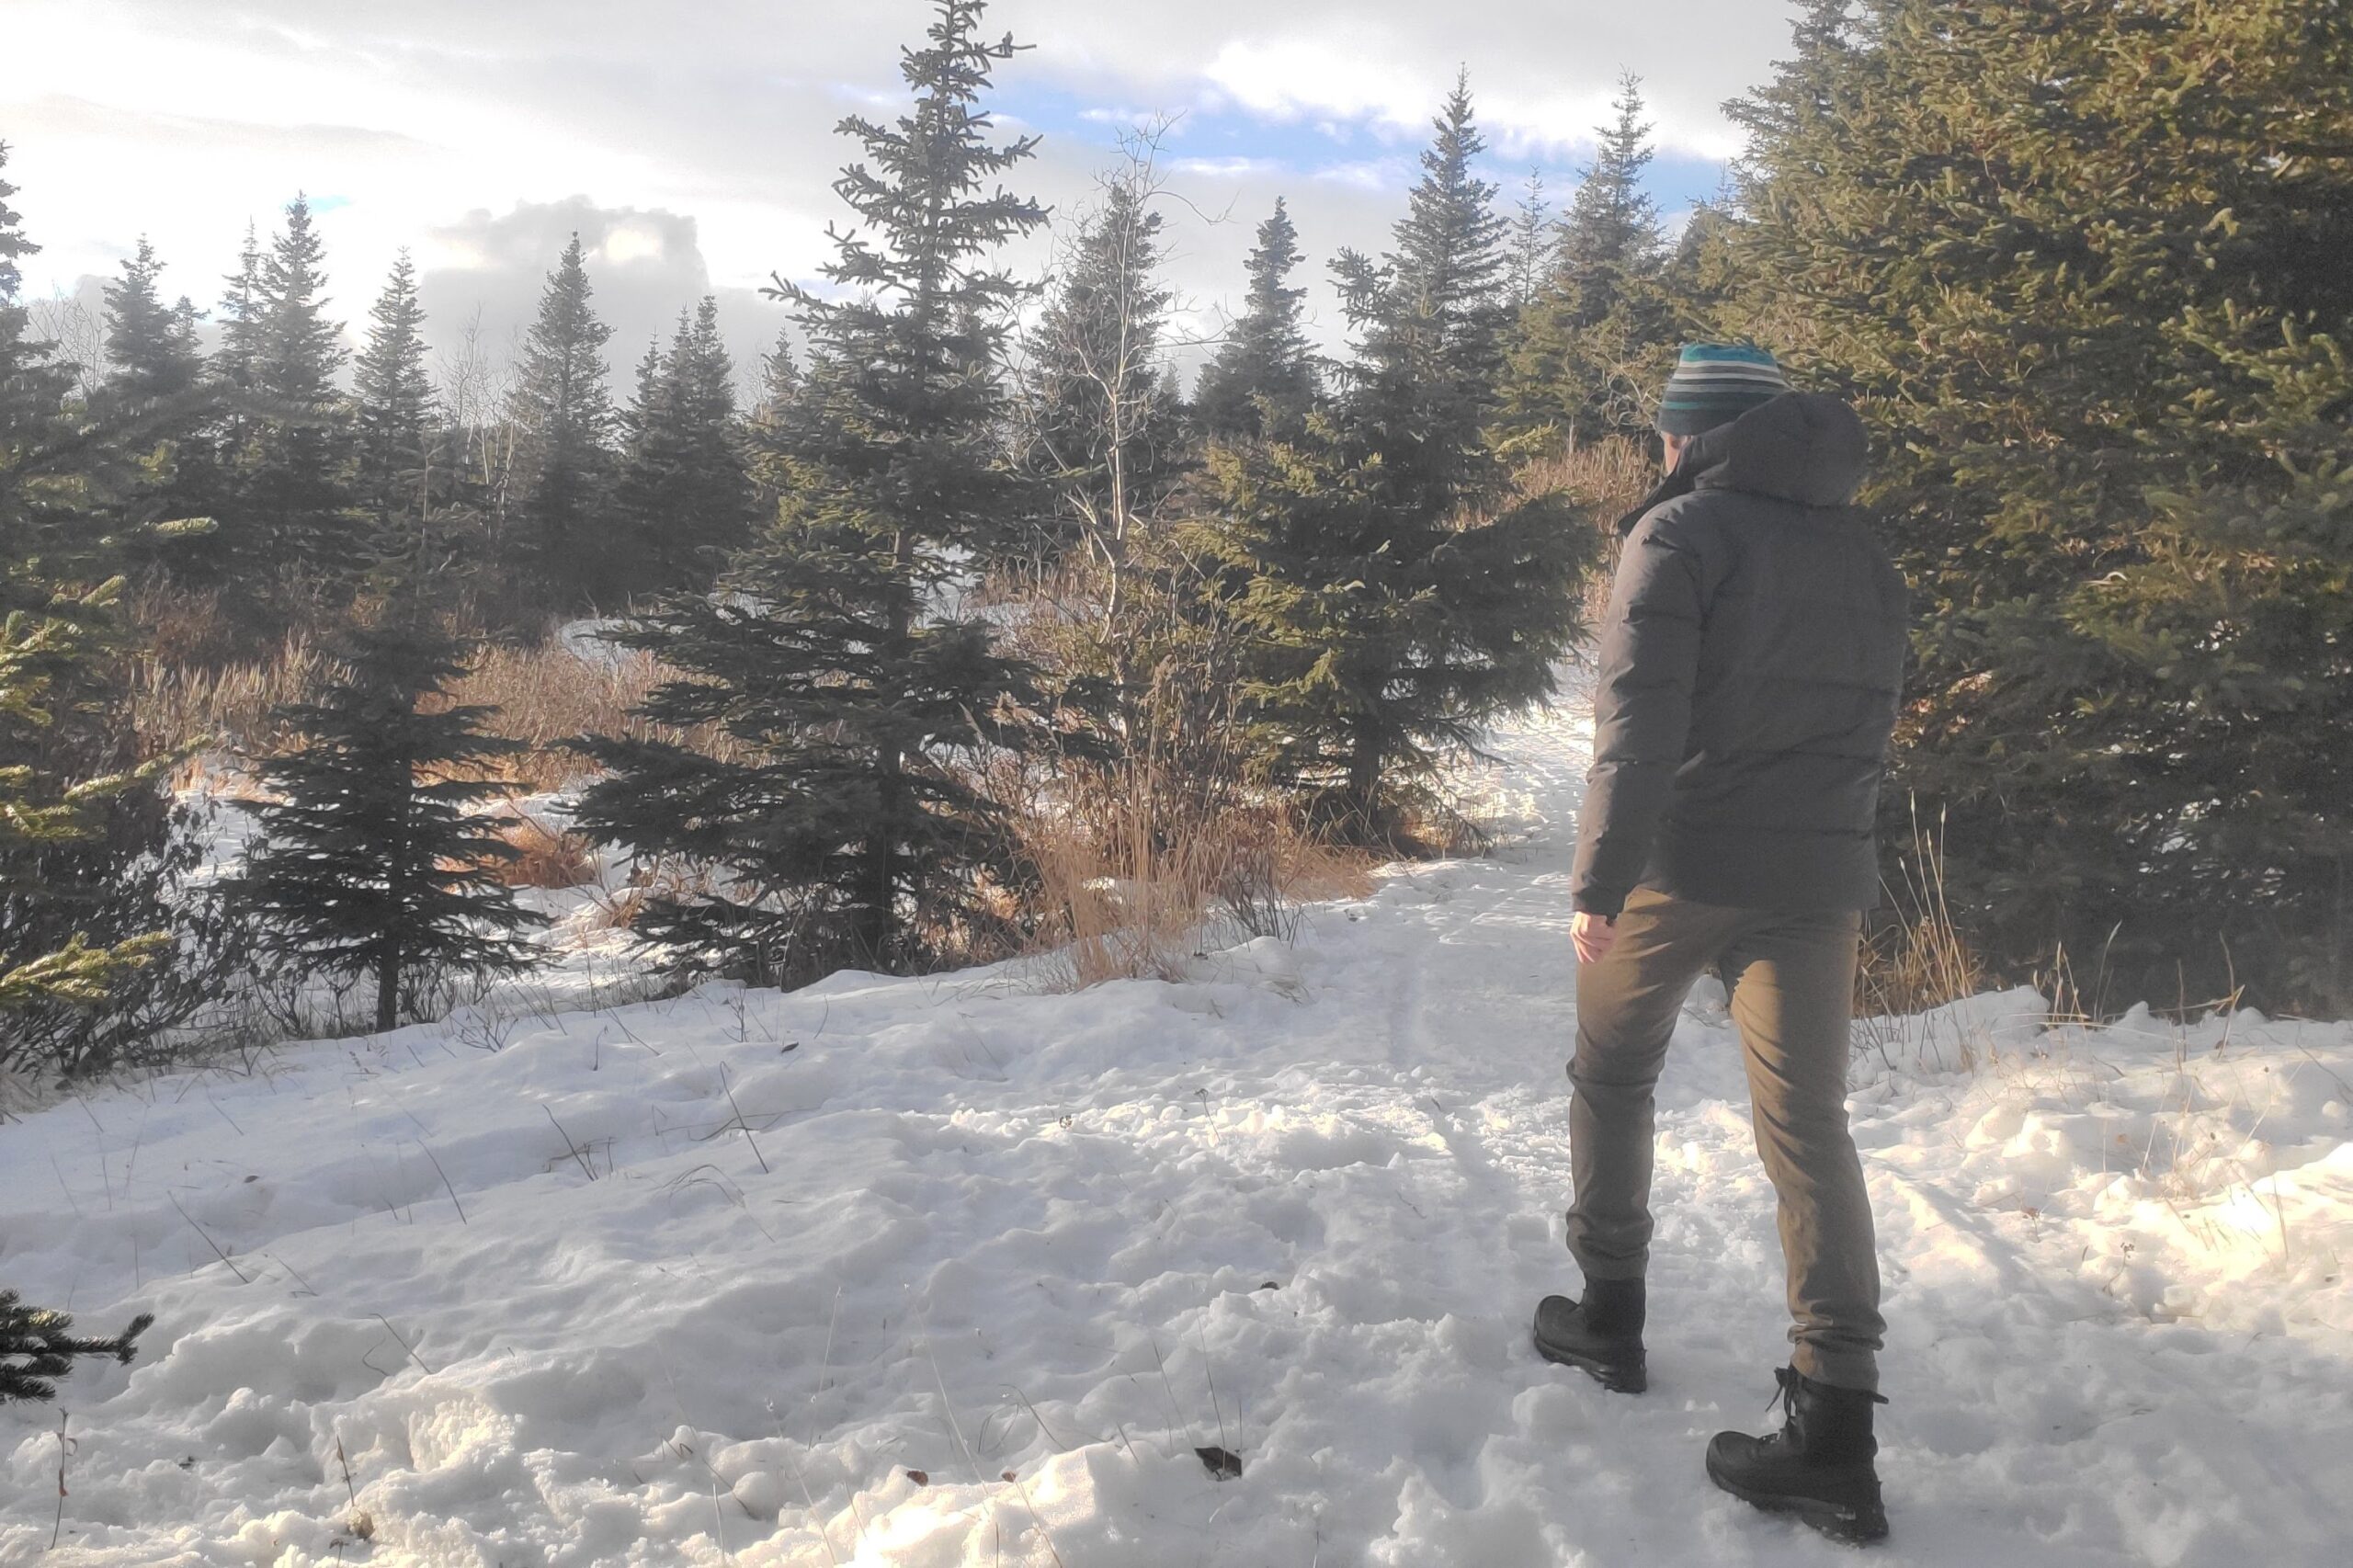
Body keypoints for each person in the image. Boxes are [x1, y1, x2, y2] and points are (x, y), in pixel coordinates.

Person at [1530, 343, 1910, 1544]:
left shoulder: (1679, 531)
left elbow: (1637, 728)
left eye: (1663, 434)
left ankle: (1609, 1309)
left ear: (1691, 437)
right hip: (1814, 877)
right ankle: (1837, 1430)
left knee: (1613, 1069)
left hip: (1680, 863)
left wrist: (1599, 880)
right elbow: (1867, 717)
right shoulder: (1864, 547)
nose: (1658, 451)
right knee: (1809, 1127)